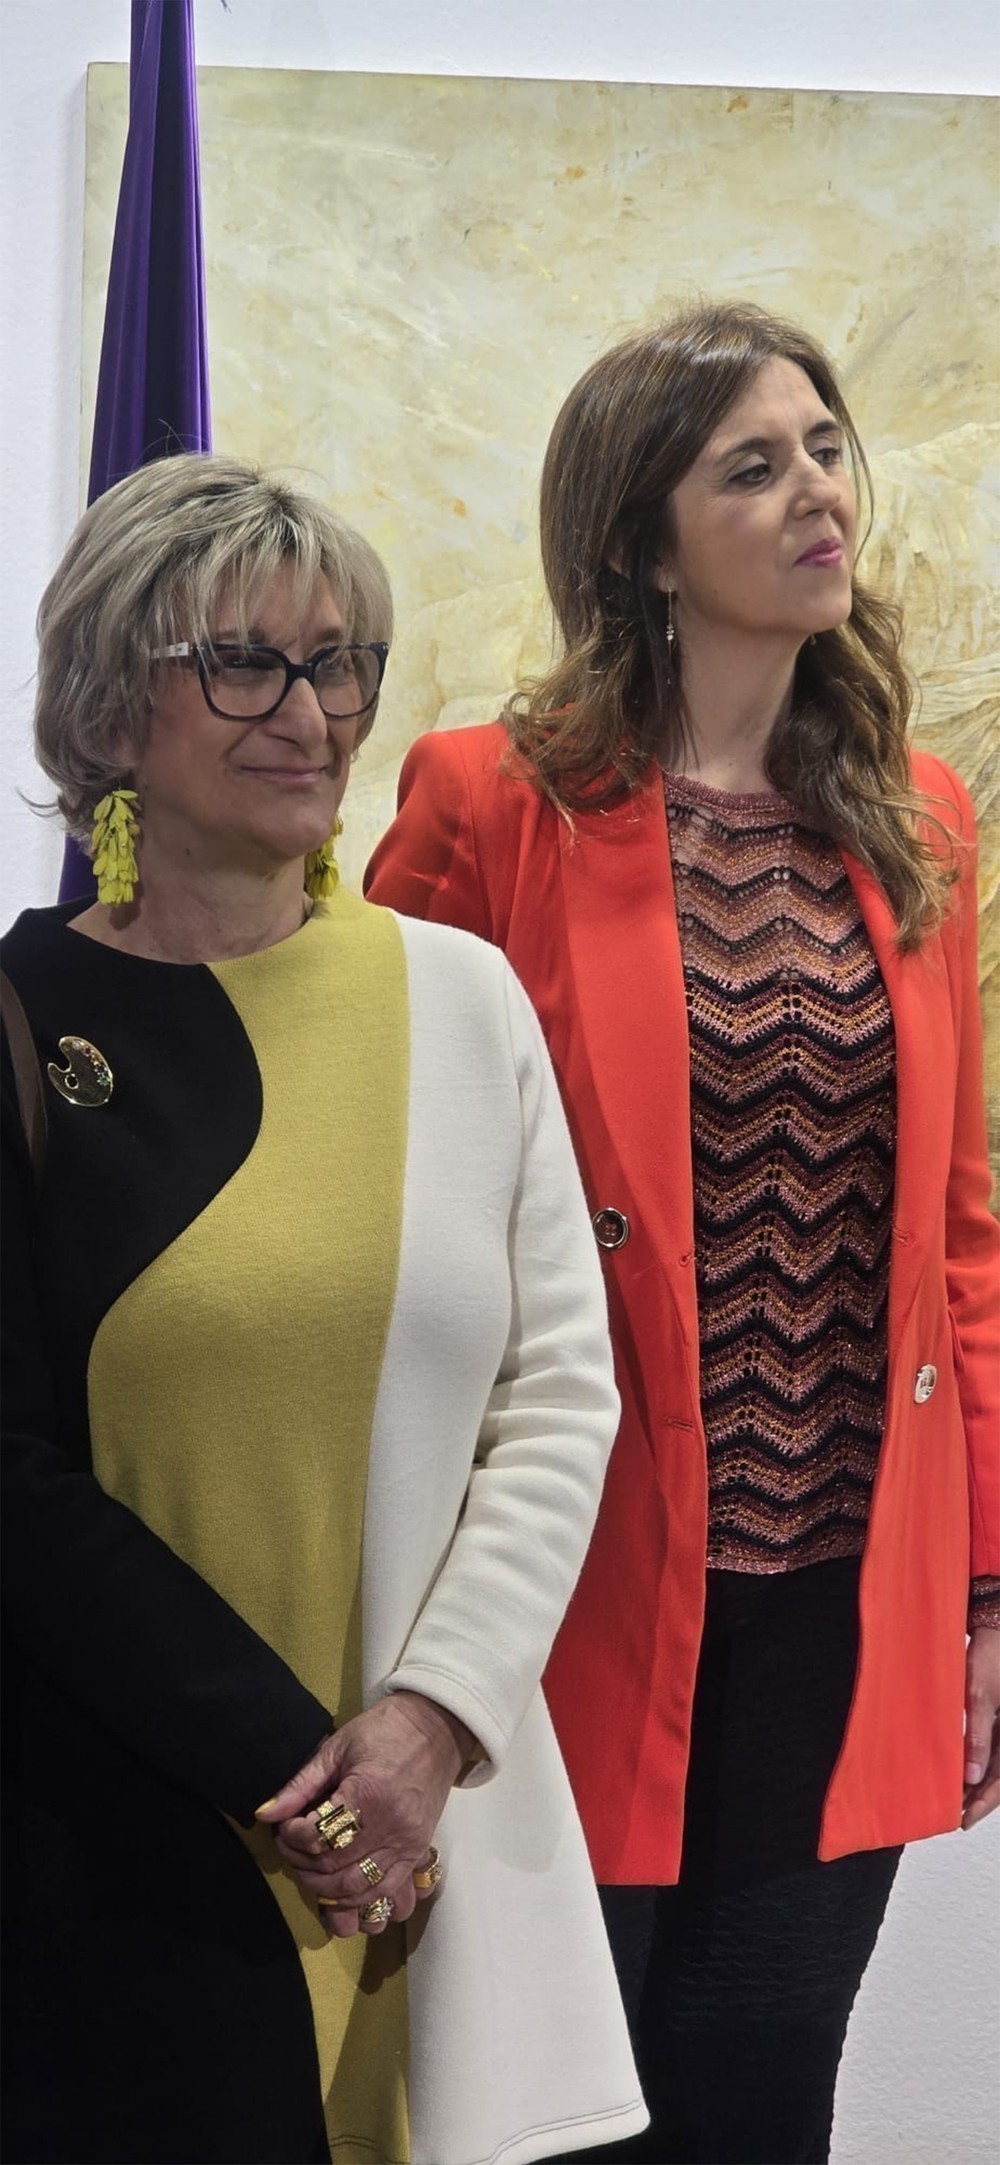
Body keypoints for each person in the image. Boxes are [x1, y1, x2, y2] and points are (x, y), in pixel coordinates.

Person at [365, 302, 1000, 2165]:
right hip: (567, 1587)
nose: (820, 493)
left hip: (844, 1593)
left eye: (826, 448)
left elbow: (958, 1233)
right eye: (754, 466)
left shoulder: (921, 819)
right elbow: (398, 1193)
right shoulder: (489, 800)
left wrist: (987, 1586)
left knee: (765, 2092)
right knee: (553, 2110)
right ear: (643, 544)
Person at [0, 452, 649, 2165]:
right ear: (111, 703)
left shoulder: (462, 999)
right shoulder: (21, 1013)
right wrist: (295, 1763)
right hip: (107, 1840)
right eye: (246, 664)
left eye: (339, 660)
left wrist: (429, 1724)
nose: (313, 712)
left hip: (423, 1830)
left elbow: (559, 1396)